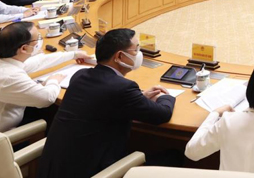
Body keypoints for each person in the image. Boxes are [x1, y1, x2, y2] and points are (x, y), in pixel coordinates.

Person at [37, 29, 176, 178]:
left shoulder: (80, 75)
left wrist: (140, 97)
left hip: (54, 168)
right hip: (93, 170)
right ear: (119, 56)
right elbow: (162, 114)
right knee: (173, 156)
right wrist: (165, 96)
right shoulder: (123, 88)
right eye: (136, 50)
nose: (139, 54)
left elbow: (104, 102)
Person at [0, 22, 92, 131]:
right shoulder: (9, 77)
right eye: (37, 39)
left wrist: (74, 54)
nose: (39, 41)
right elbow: (47, 99)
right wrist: (53, 81)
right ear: (24, 48)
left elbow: (37, 62)